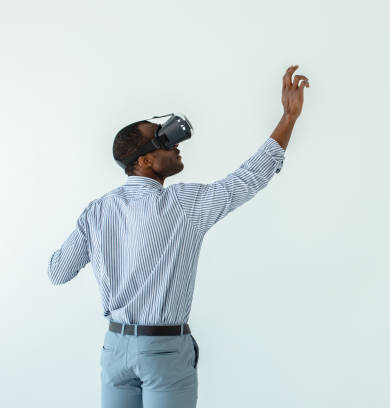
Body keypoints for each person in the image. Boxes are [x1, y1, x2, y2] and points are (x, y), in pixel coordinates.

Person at [47, 65, 310, 408]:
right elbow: (247, 179)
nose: (175, 144)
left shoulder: (96, 212)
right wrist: (289, 118)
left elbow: (58, 272)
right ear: (144, 161)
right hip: (164, 350)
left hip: (115, 349)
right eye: (163, 139)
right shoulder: (182, 203)